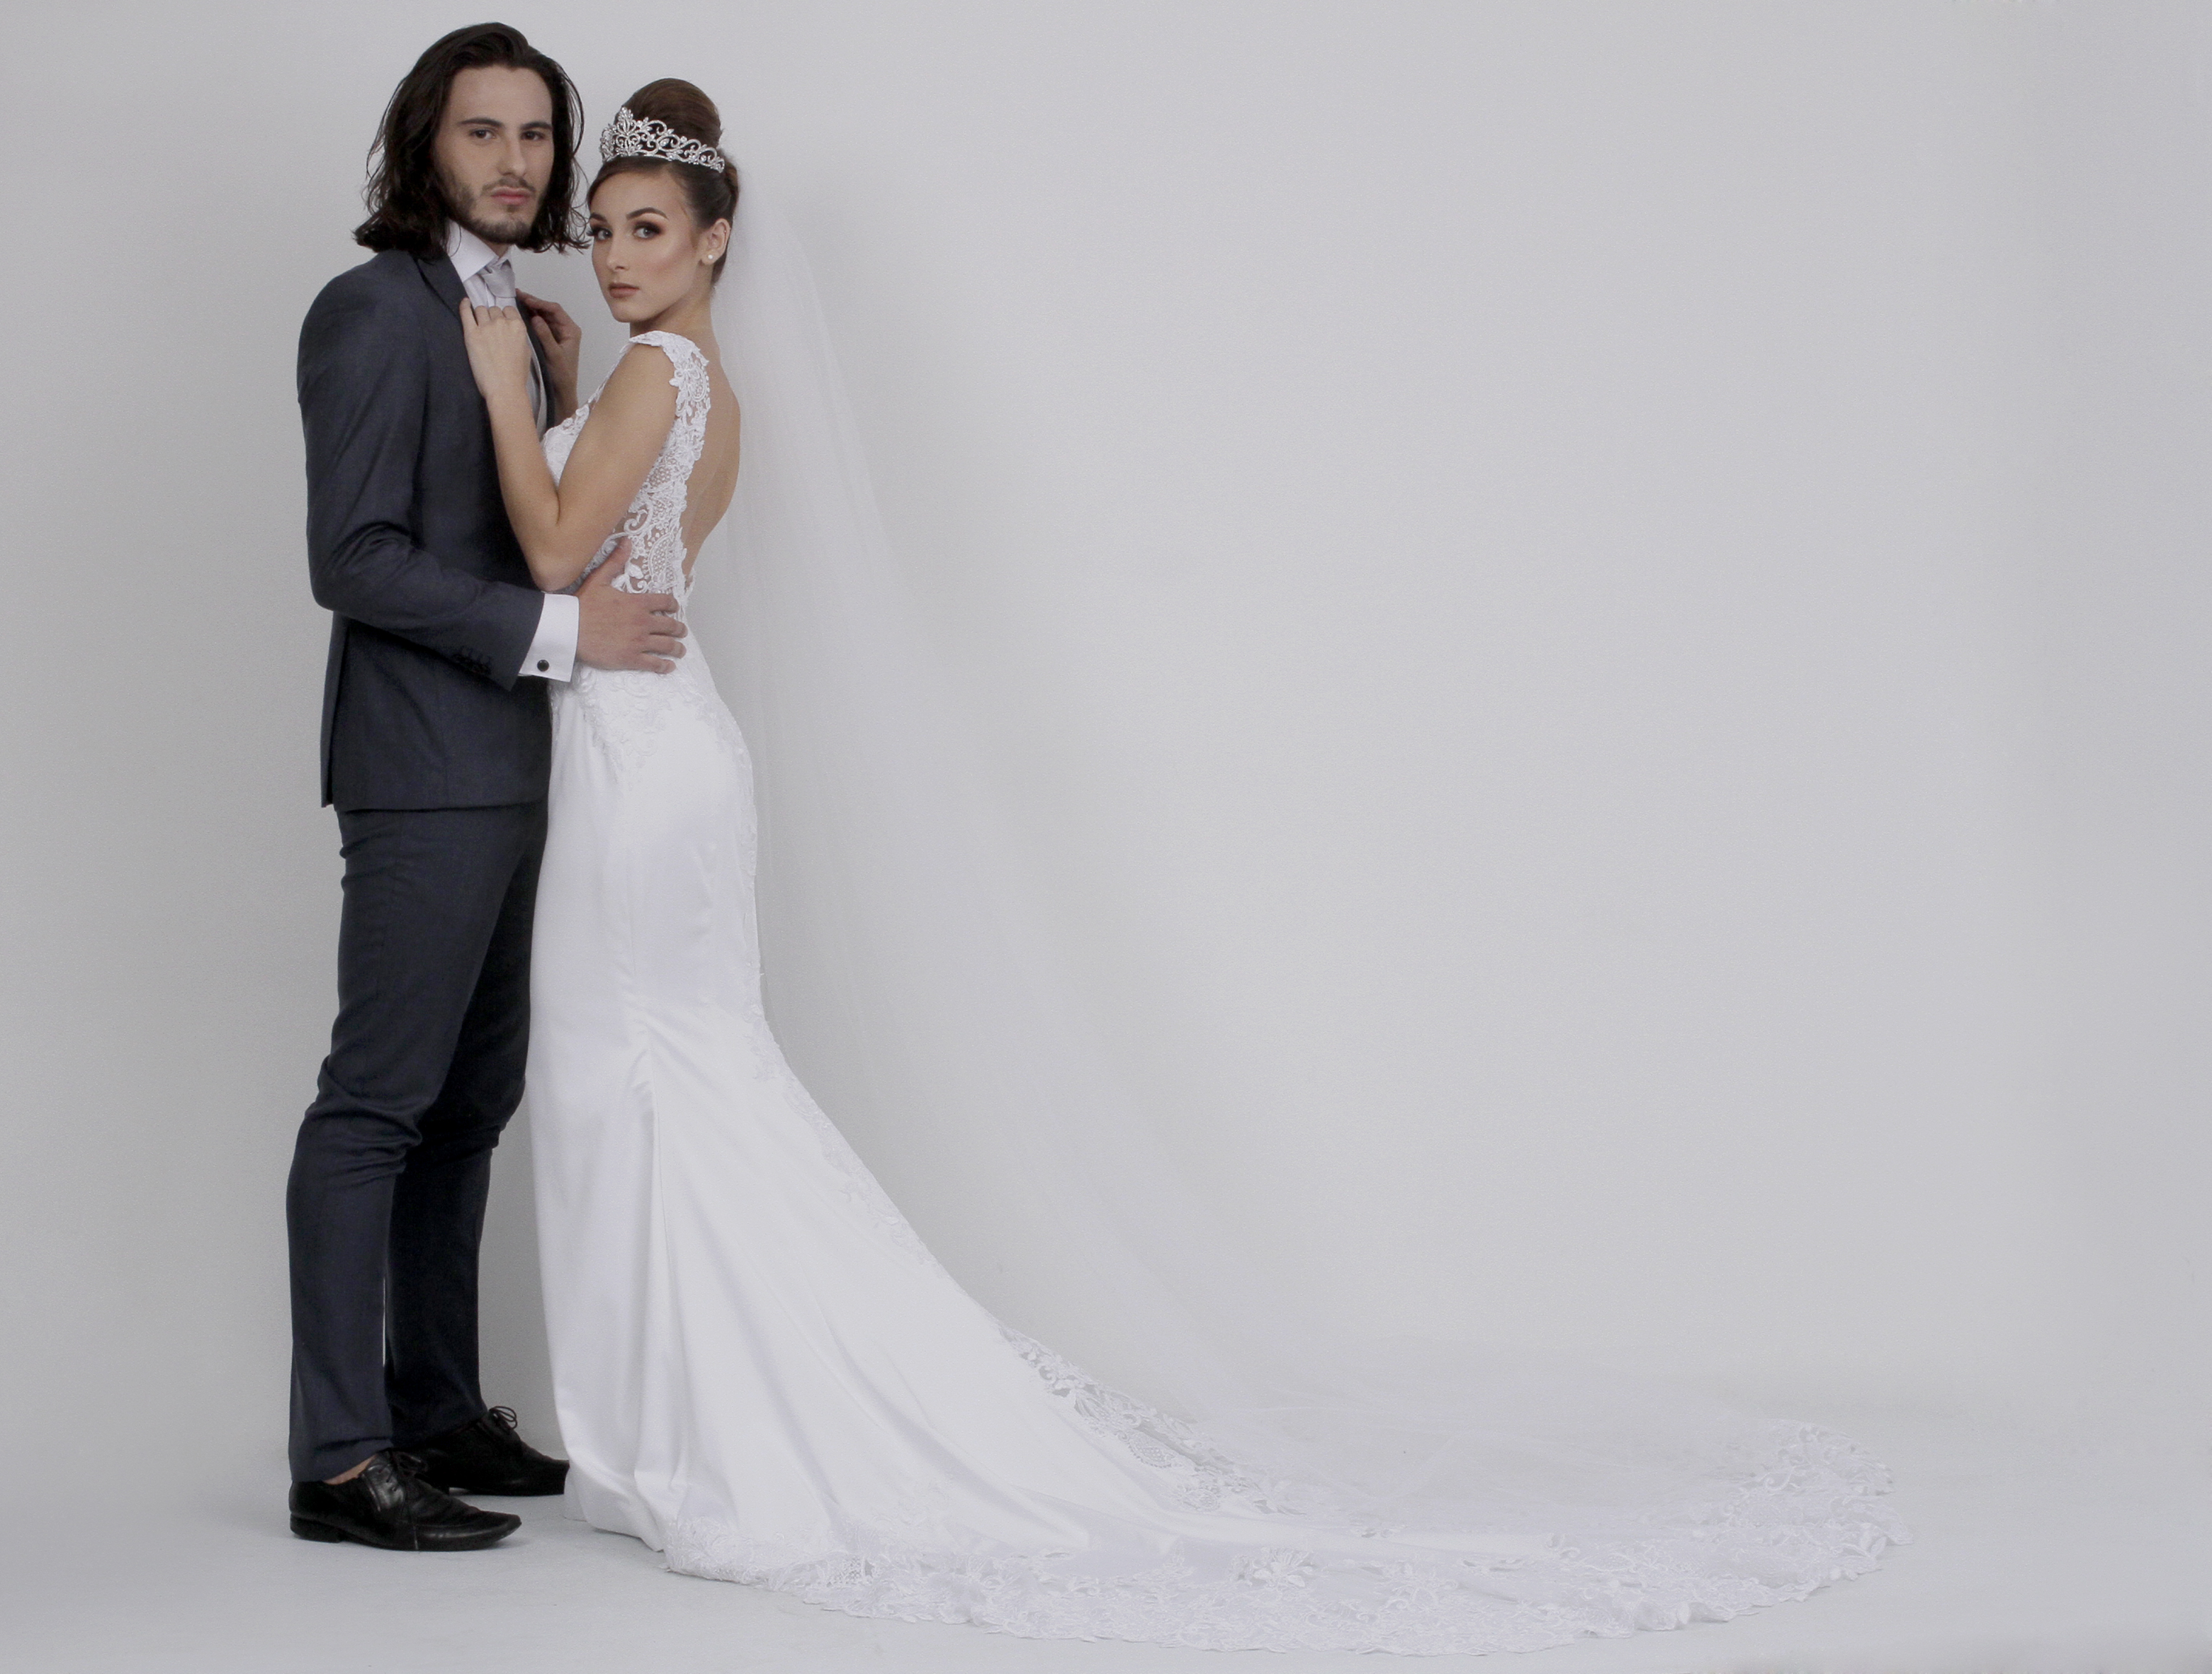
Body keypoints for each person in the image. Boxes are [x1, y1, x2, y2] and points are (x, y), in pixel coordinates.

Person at [460, 80, 1907, 1653]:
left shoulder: (659, 374)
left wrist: (500, 393)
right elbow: (624, 550)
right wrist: (563, 390)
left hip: (638, 763)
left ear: (716, 239)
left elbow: (554, 555)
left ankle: (707, 1435)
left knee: (636, 1077)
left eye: (646, 230)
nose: (614, 256)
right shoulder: (702, 384)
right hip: (670, 747)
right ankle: (698, 1422)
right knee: (674, 1079)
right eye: (603, 232)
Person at [281, 24, 686, 1552]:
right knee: (376, 1103)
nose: (515, 163)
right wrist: (564, 633)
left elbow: (514, 509)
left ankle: (438, 1406)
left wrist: (553, 386)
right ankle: (339, 1458)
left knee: (469, 1105)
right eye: (481, 133)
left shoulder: (514, 312)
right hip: (420, 771)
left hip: (521, 764)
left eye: (534, 135)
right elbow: (353, 559)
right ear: (422, 144)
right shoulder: (371, 311)